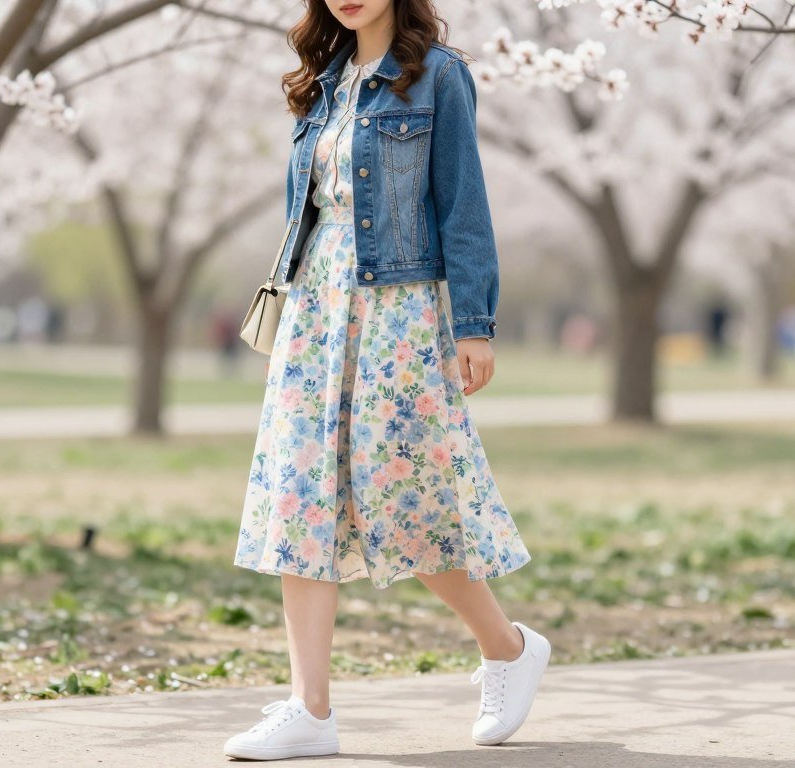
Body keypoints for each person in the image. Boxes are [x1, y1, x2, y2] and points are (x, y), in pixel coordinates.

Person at [227, 0, 549, 760]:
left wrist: (474, 323)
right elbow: (304, 212)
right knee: (300, 496)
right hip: (315, 307)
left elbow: (463, 206)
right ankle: (310, 709)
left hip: (397, 308)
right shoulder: (324, 82)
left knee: (406, 492)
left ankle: (507, 648)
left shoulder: (439, 77)